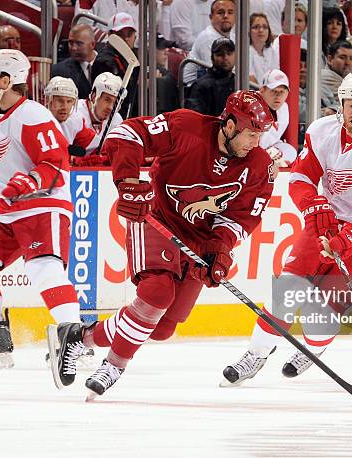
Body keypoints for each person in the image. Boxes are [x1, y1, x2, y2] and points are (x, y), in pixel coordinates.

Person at [47, 90, 276, 397]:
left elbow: (242, 215)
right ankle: (114, 366)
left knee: (163, 328)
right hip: (157, 219)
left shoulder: (259, 165)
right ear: (230, 125)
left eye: (259, 137)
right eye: (250, 135)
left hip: (199, 240)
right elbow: (125, 133)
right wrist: (127, 181)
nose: (254, 144)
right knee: (156, 293)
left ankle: (80, 338)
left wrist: (220, 247)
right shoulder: (186, 128)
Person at [220, 74, 352, 385]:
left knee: (320, 313)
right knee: (286, 290)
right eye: (350, 105)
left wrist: (351, 238)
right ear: (340, 104)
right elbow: (300, 179)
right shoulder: (321, 131)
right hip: (328, 223)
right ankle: (256, 353)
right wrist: (313, 205)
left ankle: (312, 349)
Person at [0, 49, 83, 369]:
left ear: (5, 80)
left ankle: (75, 341)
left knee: (42, 268)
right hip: (9, 211)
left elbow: (56, 164)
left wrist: (27, 183)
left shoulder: (33, 115)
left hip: (44, 205)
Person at [91, 12, 139, 118]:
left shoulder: (135, 55)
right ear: (110, 35)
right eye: (121, 35)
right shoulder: (104, 61)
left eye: (129, 34)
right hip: (109, 116)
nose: (126, 38)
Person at [182, 0, 236, 86]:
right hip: (195, 91)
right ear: (211, 17)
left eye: (230, 12)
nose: (226, 16)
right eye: (220, 12)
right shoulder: (207, 38)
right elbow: (219, 72)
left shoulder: (234, 37)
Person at [74, 71, 124, 162]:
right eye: (107, 100)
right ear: (94, 96)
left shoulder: (116, 120)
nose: (111, 107)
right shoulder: (75, 112)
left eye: (115, 102)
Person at [44, 76, 96, 156]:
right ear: (48, 100)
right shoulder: (38, 121)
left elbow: (94, 147)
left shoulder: (75, 120)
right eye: (60, 101)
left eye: (69, 101)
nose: (65, 107)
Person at [186, 38, 235, 116]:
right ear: (212, 58)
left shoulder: (239, 82)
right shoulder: (201, 86)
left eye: (229, 53)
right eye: (220, 54)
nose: (225, 57)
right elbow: (195, 120)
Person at [258, 69, 297, 167]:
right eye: (274, 91)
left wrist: (273, 152)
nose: (278, 96)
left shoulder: (284, 108)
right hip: (245, 151)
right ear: (262, 91)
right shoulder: (252, 106)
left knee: (291, 151)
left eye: (282, 91)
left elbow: (272, 138)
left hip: (266, 149)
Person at [51, 24, 97, 99]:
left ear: (92, 44)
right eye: (71, 43)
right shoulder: (58, 72)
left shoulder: (111, 66)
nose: (73, 48)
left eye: (79, 44)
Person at [249, 13, 279, 84]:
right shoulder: (246, 51)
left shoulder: (272, 51)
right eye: (256, 27)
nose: (261, 30)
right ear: (248, 31)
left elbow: (276, 77)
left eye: (265, 27)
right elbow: (250, 79)